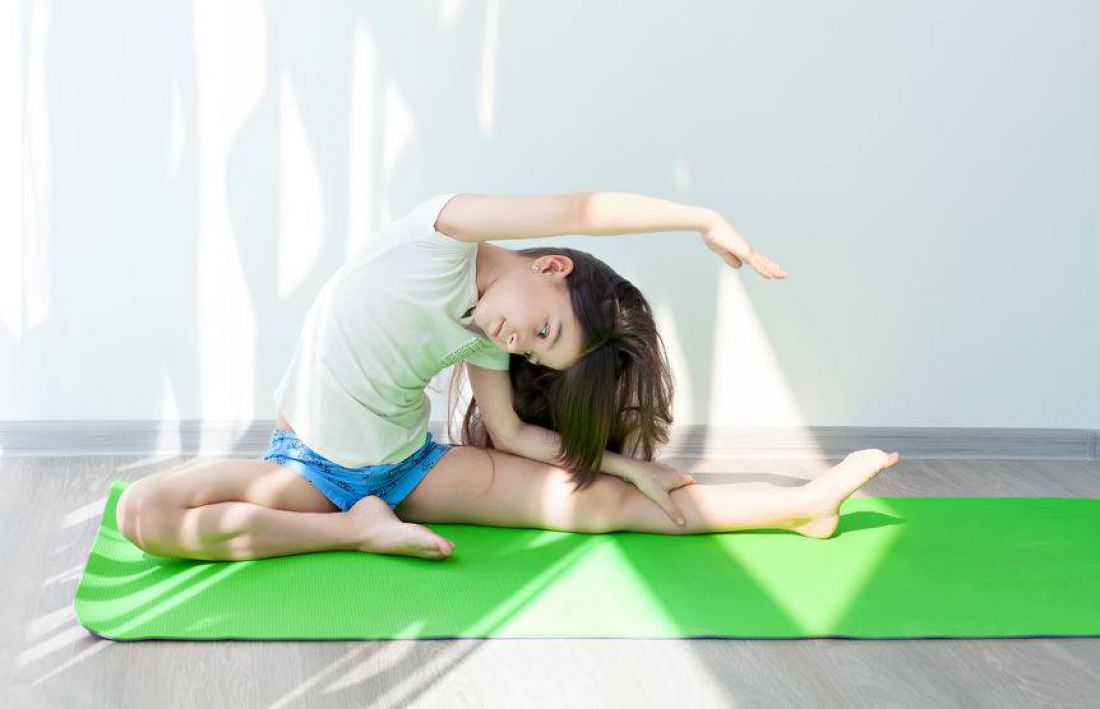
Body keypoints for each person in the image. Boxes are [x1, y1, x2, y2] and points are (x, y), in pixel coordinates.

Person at [114, 191, 901, 562]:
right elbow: (580, 208)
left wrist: (628, 465)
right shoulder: (442, 235)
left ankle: (799, 506)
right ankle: (352, 532)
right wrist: (702, 218)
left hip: (410, 468)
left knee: (604, 506)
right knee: (146, 511)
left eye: (536, 353)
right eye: (545, 329)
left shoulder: (487, 337)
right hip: (311, 471)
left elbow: (518, 433)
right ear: (550, 266)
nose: (521, 344)